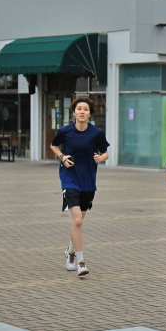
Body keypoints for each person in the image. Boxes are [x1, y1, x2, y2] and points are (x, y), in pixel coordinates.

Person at [50, 96, 109, 277]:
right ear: (74, 111)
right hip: (69, 178)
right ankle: (81, 262)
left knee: (79, 222)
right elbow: (53, 146)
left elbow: (105, 152)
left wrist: (101, 158)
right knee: (77, 221)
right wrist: (62, 157)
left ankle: (69, 252)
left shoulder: (96, 133)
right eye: (79, 109)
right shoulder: (65, 131)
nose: (82, 112)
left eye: (86, 109)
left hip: (88, 181)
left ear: (90, 113)